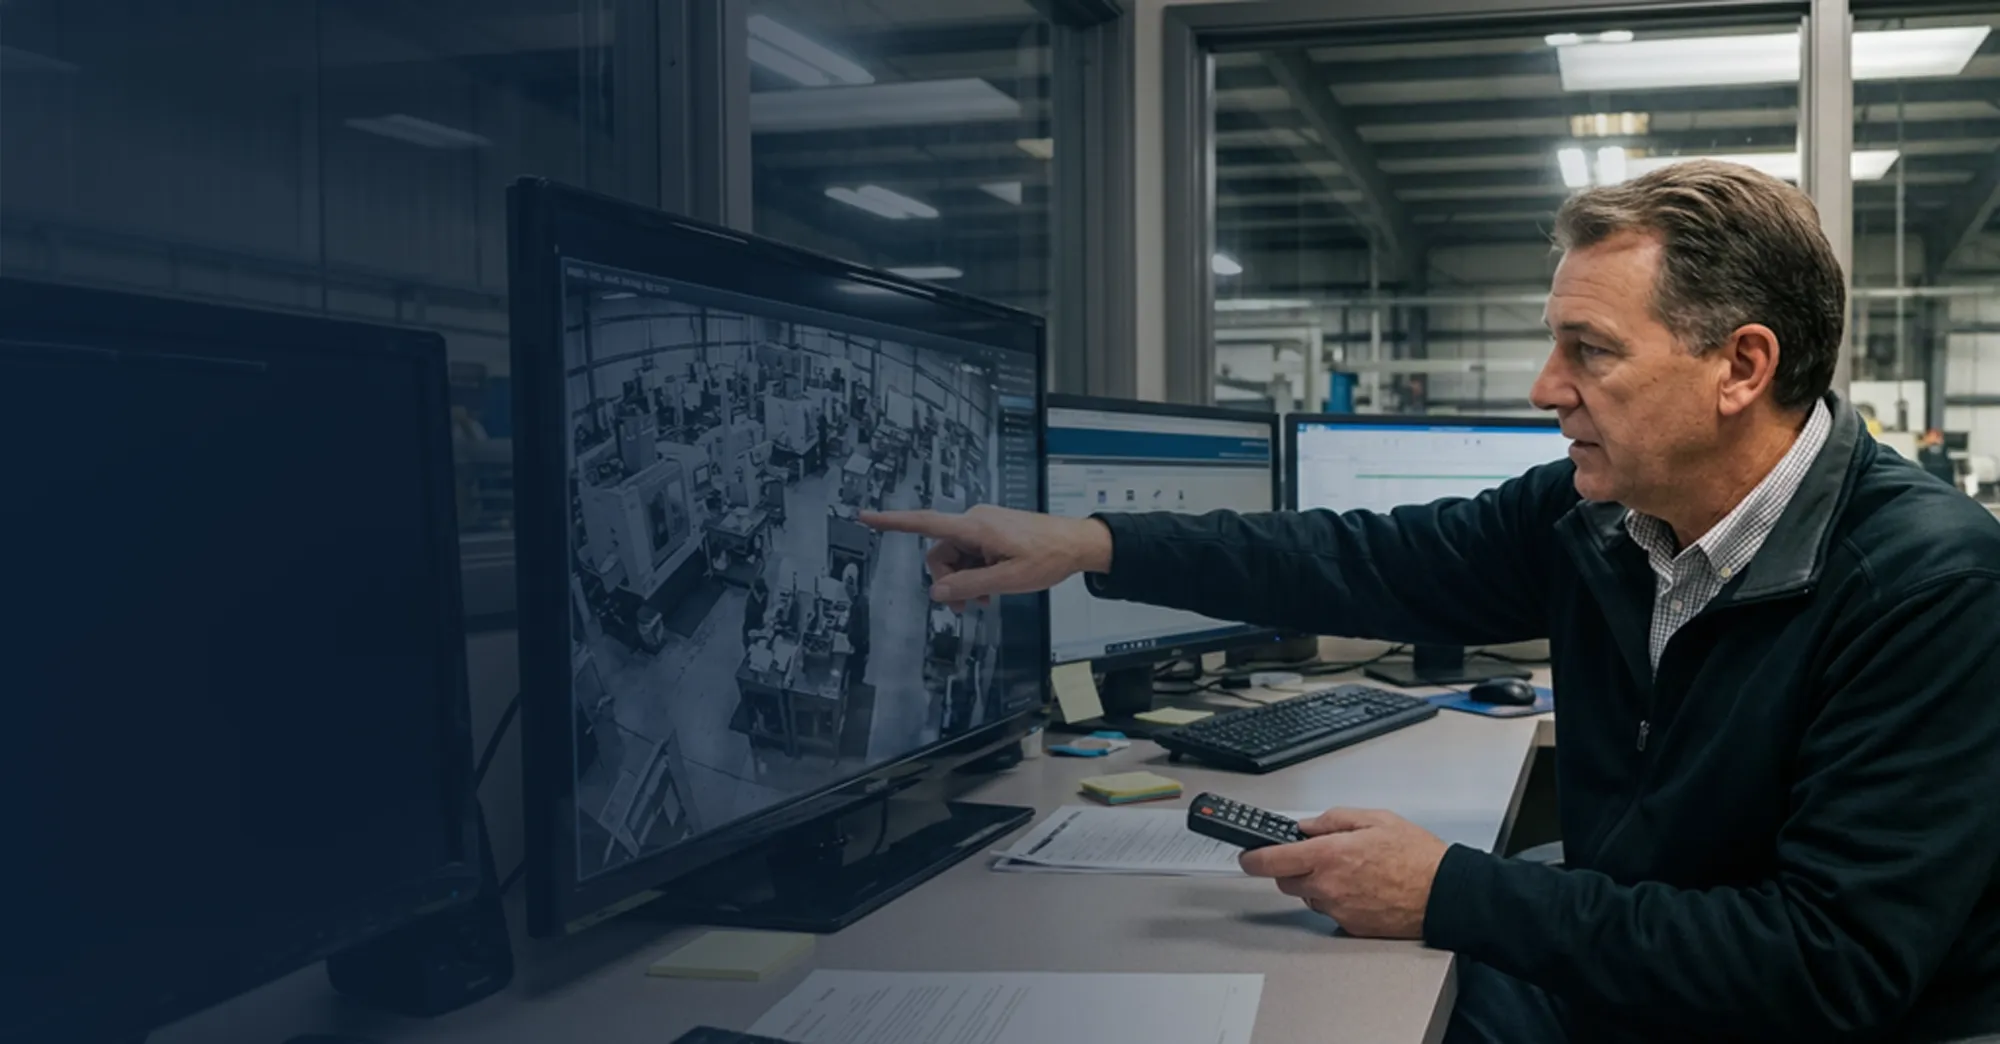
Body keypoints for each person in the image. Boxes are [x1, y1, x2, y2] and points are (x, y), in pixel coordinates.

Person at [860, 160, 2000, 1044]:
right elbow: (1368, 560)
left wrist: (1448, 891)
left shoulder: (1929, 587)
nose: (1545, 389)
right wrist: (1092, 542)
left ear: (1741, 368)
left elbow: (1827, 966)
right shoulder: (1602, 518)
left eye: (1589, 351)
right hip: (1652, 968)